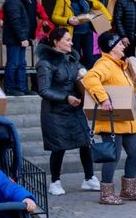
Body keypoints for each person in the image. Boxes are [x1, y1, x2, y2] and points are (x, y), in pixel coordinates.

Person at [81, 31, 136, 205]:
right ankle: (106, 193)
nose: (124, 46)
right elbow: (89, 78)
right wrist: (103, 98)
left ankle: (128, 189)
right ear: (111, 47)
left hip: (127, 121)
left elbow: (127, 93)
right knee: (113, 156)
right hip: (111, 120)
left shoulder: (119, 66)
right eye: (119, 44)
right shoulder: (105, 64)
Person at [35, 28, 99, 197]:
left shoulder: (72, 58)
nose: (71, 43)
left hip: (74, 108)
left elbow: (81, 72)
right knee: (59, 147)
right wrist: (66, 98)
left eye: (71, 40)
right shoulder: (45, 62)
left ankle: (89, 178)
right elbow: (44, 90)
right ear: (56, 42)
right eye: (68, 40)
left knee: (85, 142)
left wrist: (85, 74)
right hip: (55, 111)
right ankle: (55, 182)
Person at [51, 0, 111, 69]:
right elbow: (54, 17)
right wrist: (68, 20)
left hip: (88, 32)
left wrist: (108, 18)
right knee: (75, 57)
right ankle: (75, 80)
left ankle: (87, 79)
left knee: (89, 57)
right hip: (73, 34)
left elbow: (99, 5)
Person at [1, 0, 39, 96]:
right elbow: (15, 21)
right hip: (14, 40)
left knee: (22, 64)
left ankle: (22, 88)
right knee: (13, 64)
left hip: (19, 39)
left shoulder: (21, 1)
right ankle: (10, 88)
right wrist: (22, 38)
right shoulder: (13, 1)